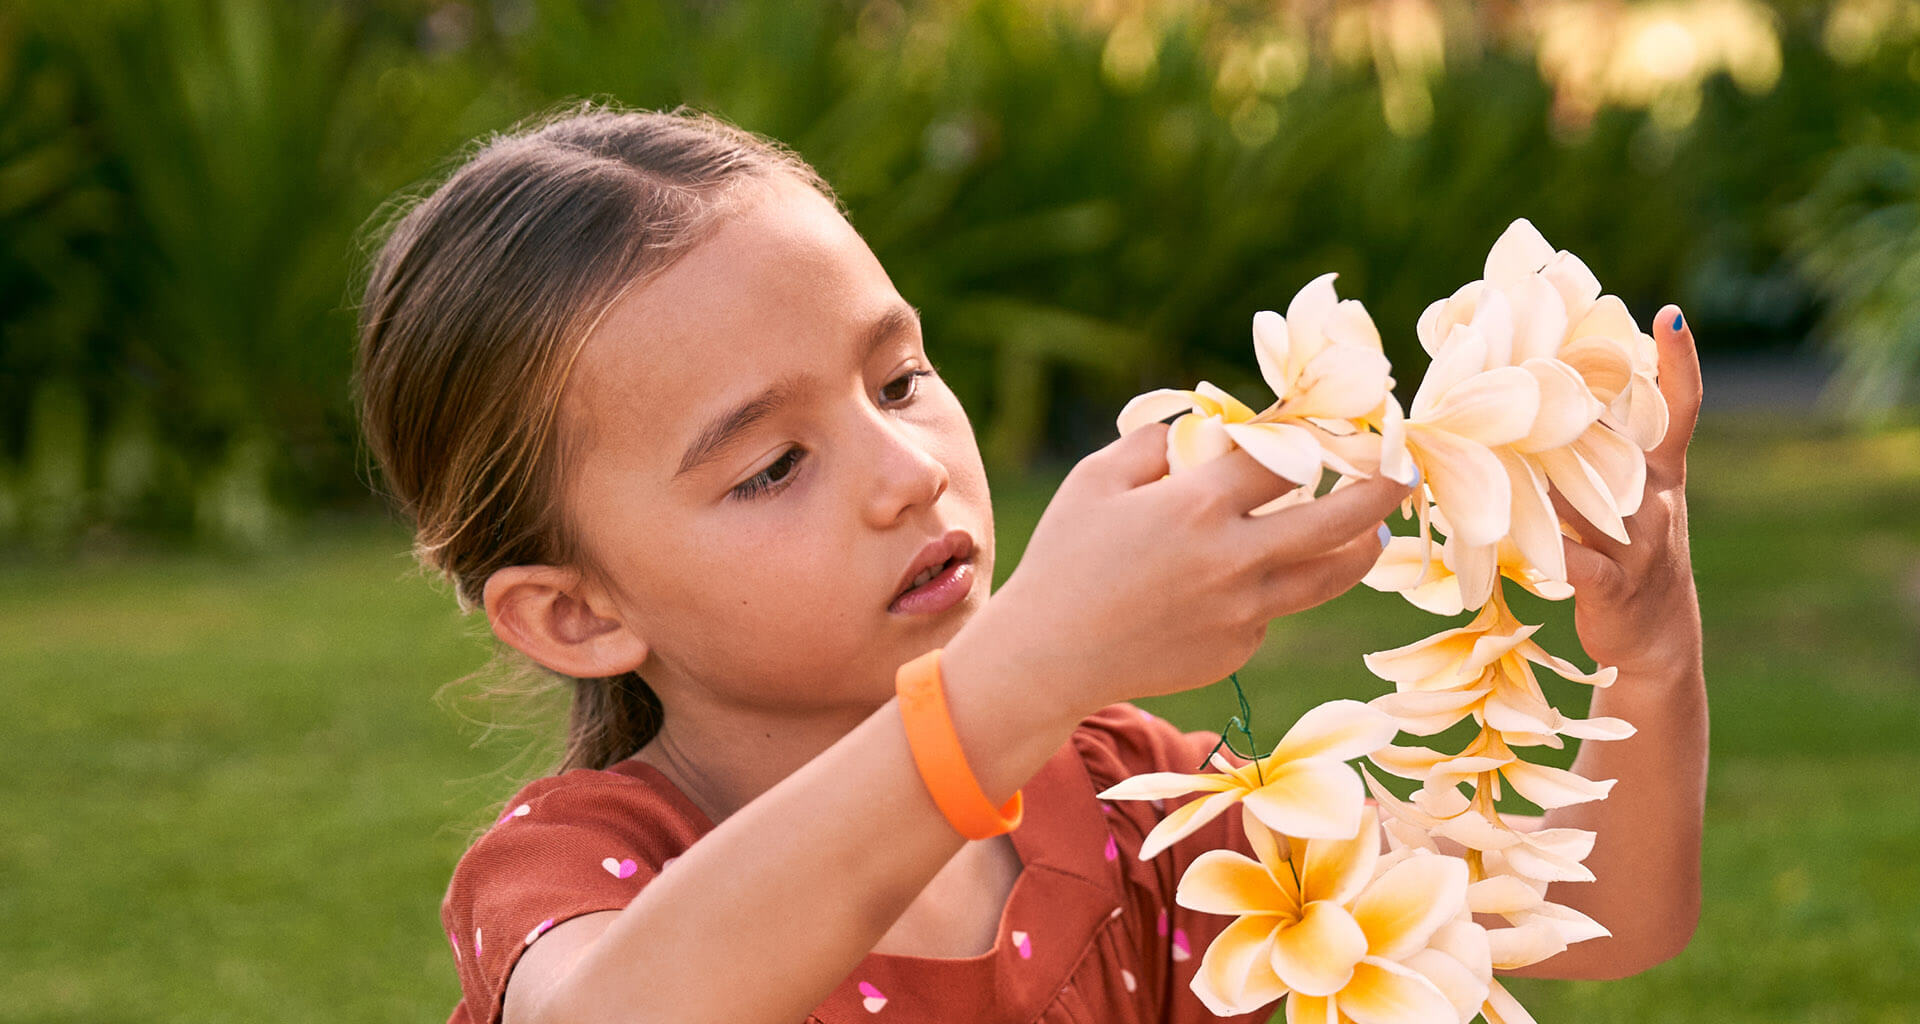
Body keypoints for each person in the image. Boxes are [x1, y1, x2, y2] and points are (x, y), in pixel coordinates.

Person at [353, 102, 1706, 1024]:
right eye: (770, 465)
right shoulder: (588, 871)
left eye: (899, 379)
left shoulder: (1139, 809)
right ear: (576, 613)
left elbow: (1584, 924)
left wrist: (1644, 650)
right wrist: (1027, 670)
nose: (909, 471)